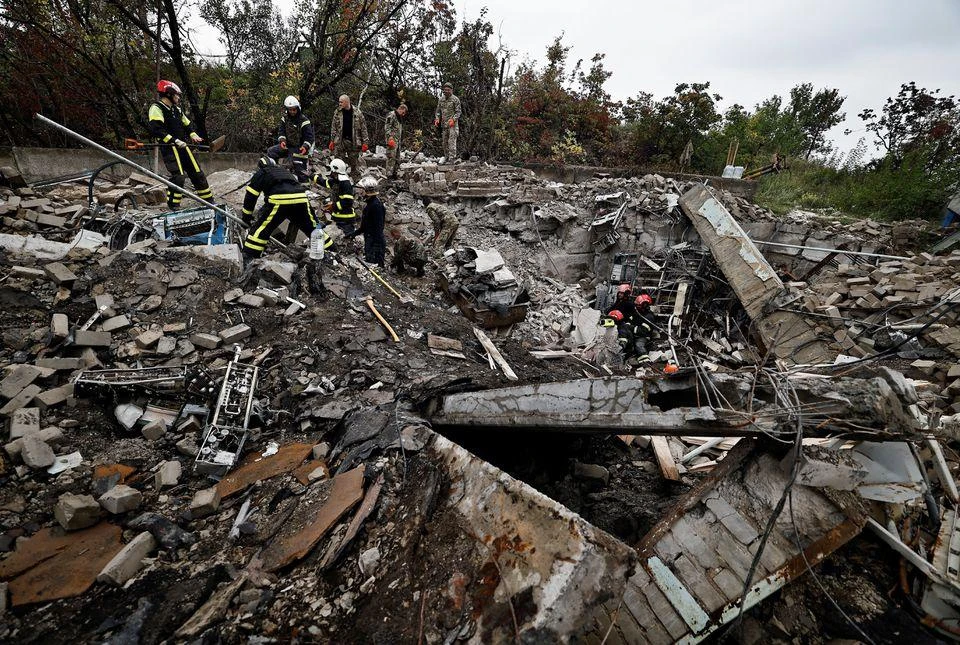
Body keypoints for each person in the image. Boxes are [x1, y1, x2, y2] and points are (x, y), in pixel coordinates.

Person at [240, 156, 328, 262]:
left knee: (260, 231)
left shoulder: (262, 172)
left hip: (280, 200)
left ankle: (249, 258)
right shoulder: (284, 172)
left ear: (260, 166)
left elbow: (251, 196)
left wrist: (246, 217)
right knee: (313, 227)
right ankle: (331, 251)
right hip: (301, 198)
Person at [147, 80, 214, 210]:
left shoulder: (177, 109)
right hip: (170, 148)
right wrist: (174, 141)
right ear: (168, 94)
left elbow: (187, 124)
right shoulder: (156, 108)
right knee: (178, 177)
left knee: (197, 173)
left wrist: (193, 134)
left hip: (183, 146)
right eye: (176, 94)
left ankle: (209, 201)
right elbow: (156, 130)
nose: (178, 97)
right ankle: (173, 205)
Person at [267, 96, 314, 181]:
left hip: (300, 148)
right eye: (290, 109)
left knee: (299, 169)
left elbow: (310, 137)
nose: (292, 111)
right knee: (271, 151)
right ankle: (274, 174)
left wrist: (305, 146)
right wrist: (282, 141)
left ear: (297, 108)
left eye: (294, 109)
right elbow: (281, 132)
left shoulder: (304, 120)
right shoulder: (284, 119)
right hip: (287, 146)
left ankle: (304, 187)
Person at [314, 158, 357, 236]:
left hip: (346, 219)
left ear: (335, 170)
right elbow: (324, 182)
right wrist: (311, 176)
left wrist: (332, 206)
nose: (330, 172)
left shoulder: (345, 183)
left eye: (331, 170)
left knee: (347, 238)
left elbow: (347, 202)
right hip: (338, 217)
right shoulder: (336, 181)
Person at [329, 94, 369, 179]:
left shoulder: (357, 113)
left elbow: (363, 128)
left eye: (341, 102)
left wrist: (365, 142)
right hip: (340, 140)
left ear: (347, 102)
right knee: (338, 162)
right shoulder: (337, 112)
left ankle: (356, 181)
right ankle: (337, 180)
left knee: (354, 163)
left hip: (353, 141)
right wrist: (332, 140)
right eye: (339, 102)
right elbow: (333, 127)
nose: (339, 104)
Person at [354, 176, 386, 267]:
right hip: (370, 240)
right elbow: (365, 226)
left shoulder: (376, 206)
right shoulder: (370, 204)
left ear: (367, 191)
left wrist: (375, 247)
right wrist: (354, 233)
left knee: (375, 267)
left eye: (362, 190)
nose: (359, 192)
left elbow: (379, 228)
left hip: (375, 243)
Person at [434, 83, 461, 163]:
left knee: (451, 141)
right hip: (444, 125)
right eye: (445, 90)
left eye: (448, 90)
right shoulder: (441, 99)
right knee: (444, 142)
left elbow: (458, 112)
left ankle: (452, 158)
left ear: (451, 90)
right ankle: (446, 157)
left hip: (453, 125)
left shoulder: (455, 99)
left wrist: (453, 119)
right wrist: (437, 119)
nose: (446, 91)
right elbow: (438, 111)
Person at [384, 103, 407, 179]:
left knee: (397, 158)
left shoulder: (399, 117)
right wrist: (390, 138)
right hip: (392, 140)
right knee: (391, 158)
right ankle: (389, 175)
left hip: (397, 141)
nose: (403, 114)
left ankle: (394, 173)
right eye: (403, 112)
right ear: (400, 109)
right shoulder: (392, 115)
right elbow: (387, 127)